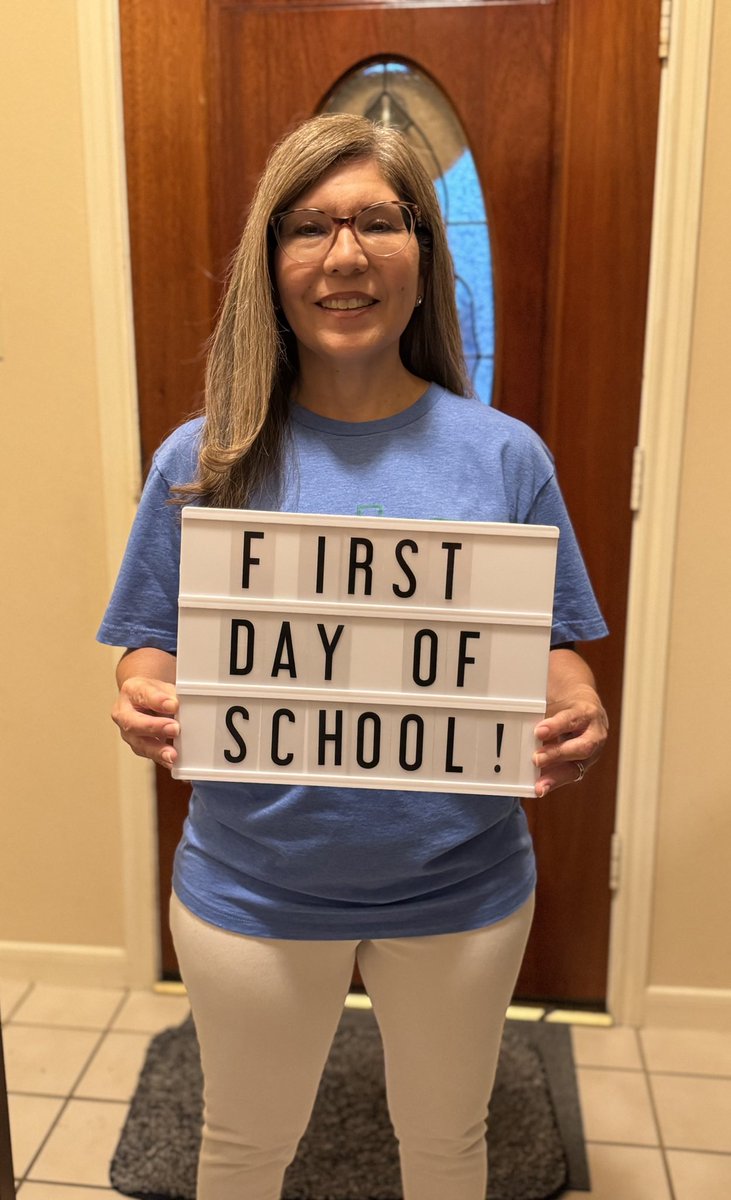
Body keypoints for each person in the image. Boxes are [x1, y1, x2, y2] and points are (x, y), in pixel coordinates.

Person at [99, 113, 609, 1200]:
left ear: (423, 257)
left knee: (444, 1147)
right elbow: (148, 638)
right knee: (241, 1147)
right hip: (252, 887)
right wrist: (140, 692)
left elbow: (552, 644)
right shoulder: (202, 459)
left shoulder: (504, 457)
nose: (344, 256)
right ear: (269, 266)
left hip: (458, 886)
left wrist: (575, 706)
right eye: (309, 227)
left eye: (378, 222)